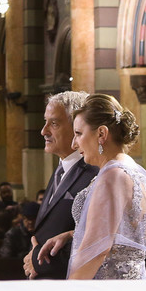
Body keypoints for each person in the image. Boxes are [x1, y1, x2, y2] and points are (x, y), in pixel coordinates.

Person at [37, 94, 146, 279]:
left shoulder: (112, 176)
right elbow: (119, 235)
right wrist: (72, 235)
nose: (74, 144)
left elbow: (95, 252)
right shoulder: (130, 169)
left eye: (78, 134)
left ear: (101, 133)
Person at [24, 90, 98, 280]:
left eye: (54, 123)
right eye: (45, 122)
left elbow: (96, 240)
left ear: (76, 127)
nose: (44, 131)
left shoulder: (94, 172)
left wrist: (37, 260)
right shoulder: (61, 169)